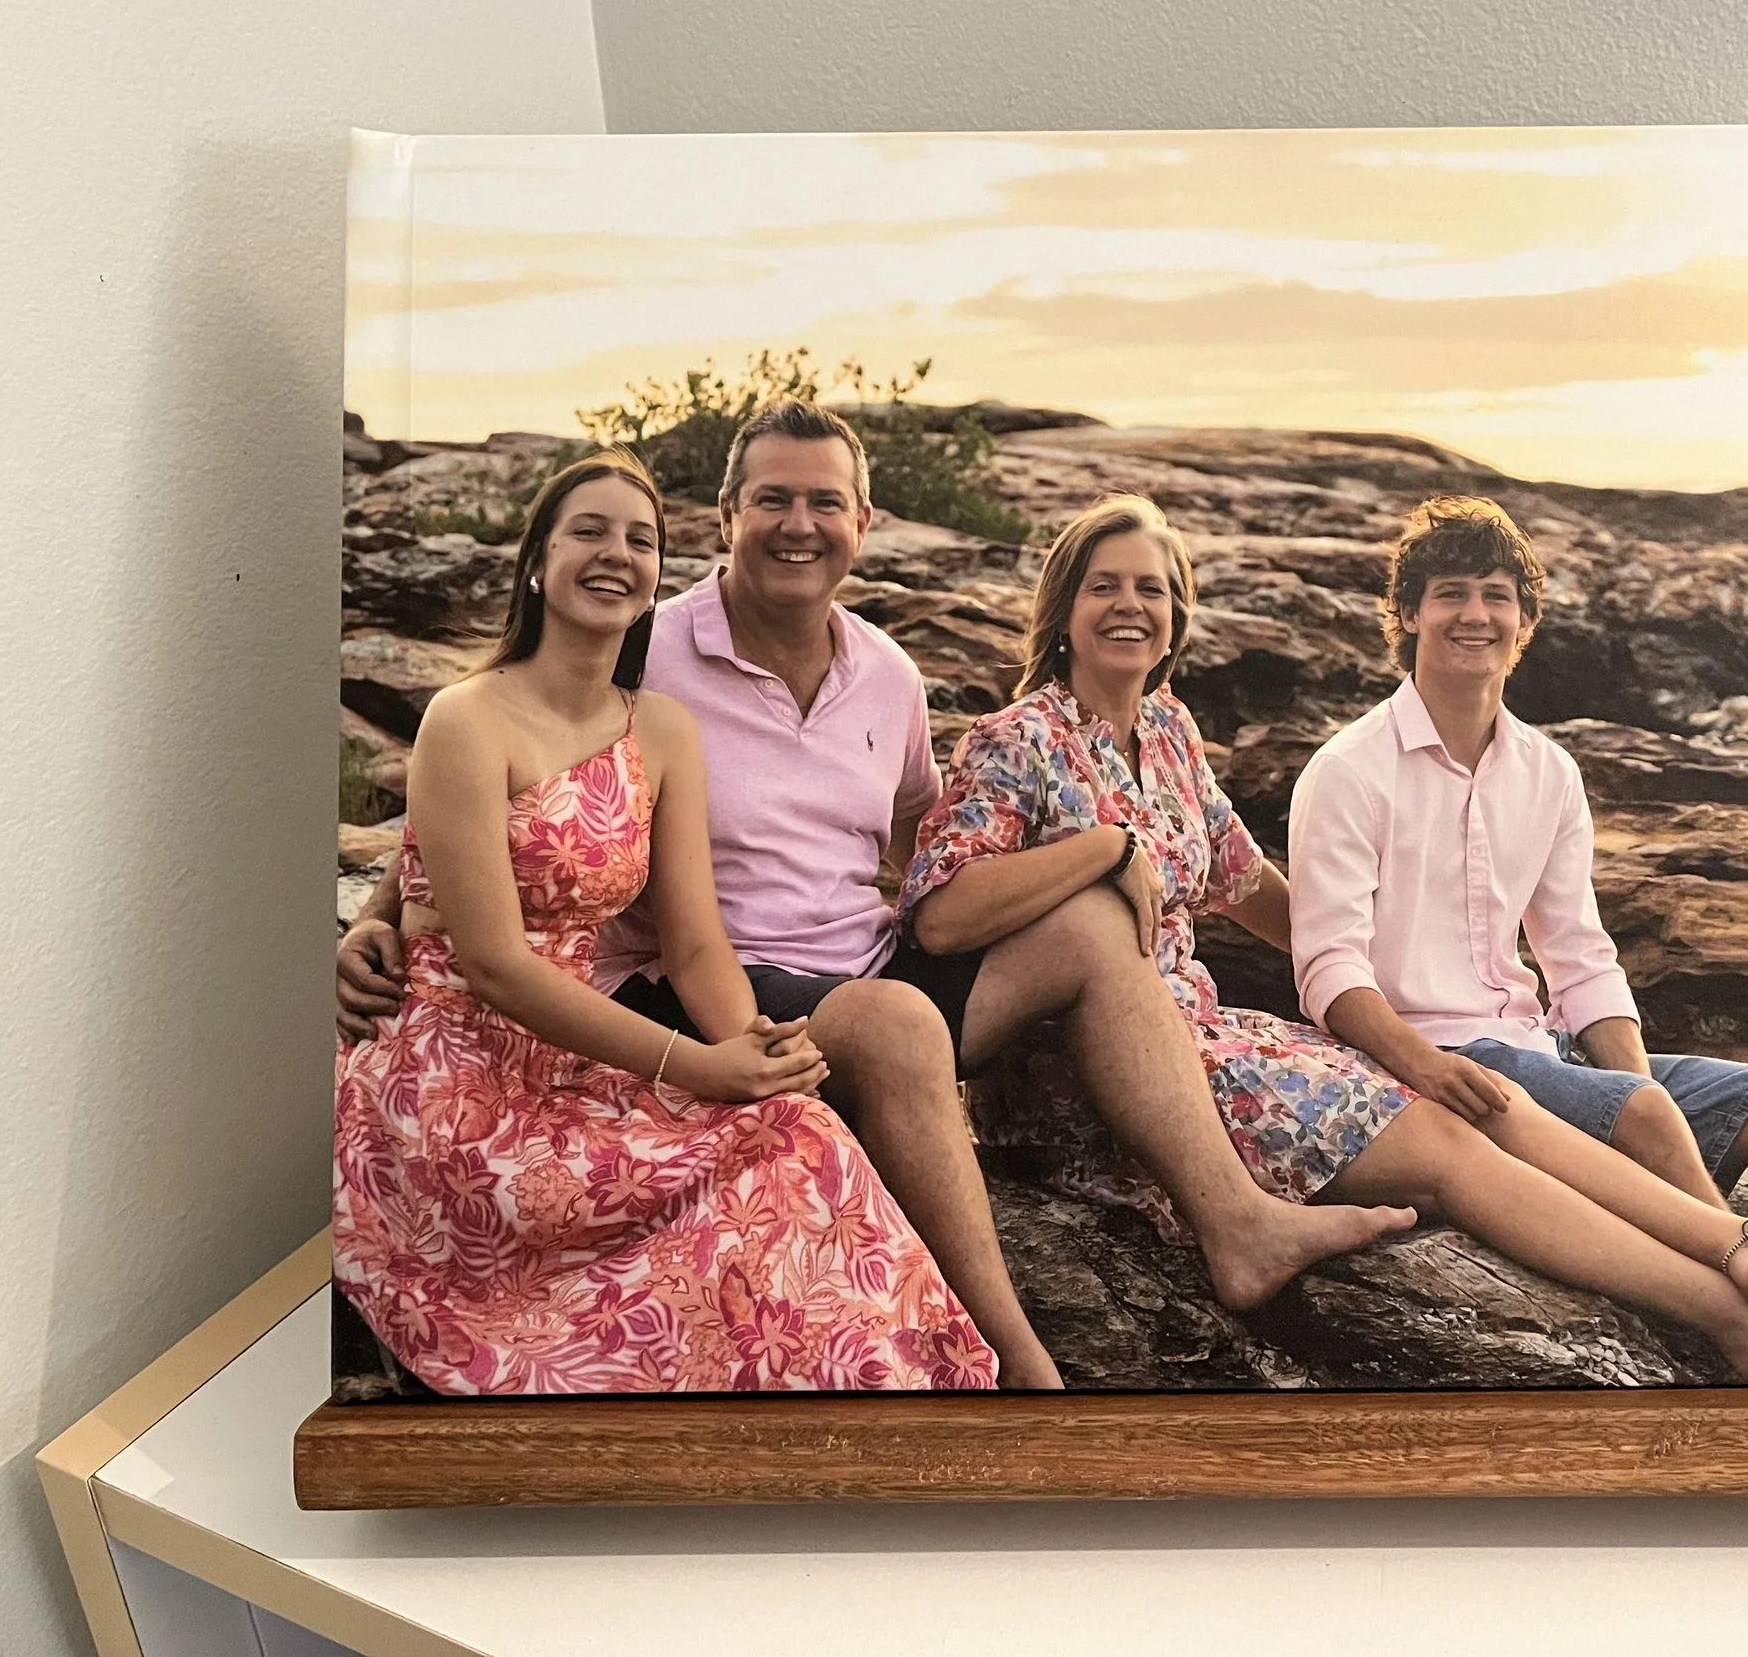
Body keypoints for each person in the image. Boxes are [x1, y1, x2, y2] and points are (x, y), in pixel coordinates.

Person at [340, 404, 1389, 1380]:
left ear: (863, 521)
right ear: (727, 517)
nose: (800, 526)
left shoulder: (886, 670)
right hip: (700, 984)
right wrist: (382, 919)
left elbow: (916, 842)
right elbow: (504, 797)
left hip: (871, 965)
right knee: (891, 1024)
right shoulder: (647, 650)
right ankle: (1016, 1356)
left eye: (825, 503)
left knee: (1081, 922)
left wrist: (1115, 858)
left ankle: (1235, 1220)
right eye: (774, 501)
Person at [903, 494, 1748, 1385]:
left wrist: (1356, 959)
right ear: (1063, 609)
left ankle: (1747, 1254)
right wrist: (1101, 852)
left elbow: (1243, 879)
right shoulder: (1017, 741)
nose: (1131, 606)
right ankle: (1738, 1313)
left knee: (1504, 1112)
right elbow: (940, 917)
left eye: (1153, 590)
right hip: (1109, 1068)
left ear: (1177, 618)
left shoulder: (1167, 735)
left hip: (1214, 1035)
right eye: (1105, 586)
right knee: (1449, 1132)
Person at [333, 450, 995, 1394]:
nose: (617, 555)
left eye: (639, 539)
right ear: (537, 560)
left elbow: (693, 942)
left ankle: (925, 1391)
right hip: (449, 1081)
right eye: (589, 532)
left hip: (568, 1061)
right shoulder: (466, 718)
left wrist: (754, 1054)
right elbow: (492, 962)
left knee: (798, 1137)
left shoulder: (660, 728)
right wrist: (696, 1066)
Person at [1288, 494, 1748, 1385]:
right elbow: (1326, 966)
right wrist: (1432, 1069)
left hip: (1538, 1051)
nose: (1476, 614)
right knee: (1646, 1109)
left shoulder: (1548, 771)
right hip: (1431, 1063)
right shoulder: (1349, 770)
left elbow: (1580, 958)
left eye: (1499, 594)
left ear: (1527, 621)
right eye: (1452, 593)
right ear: (1407, 614)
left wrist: (1627, 1083)